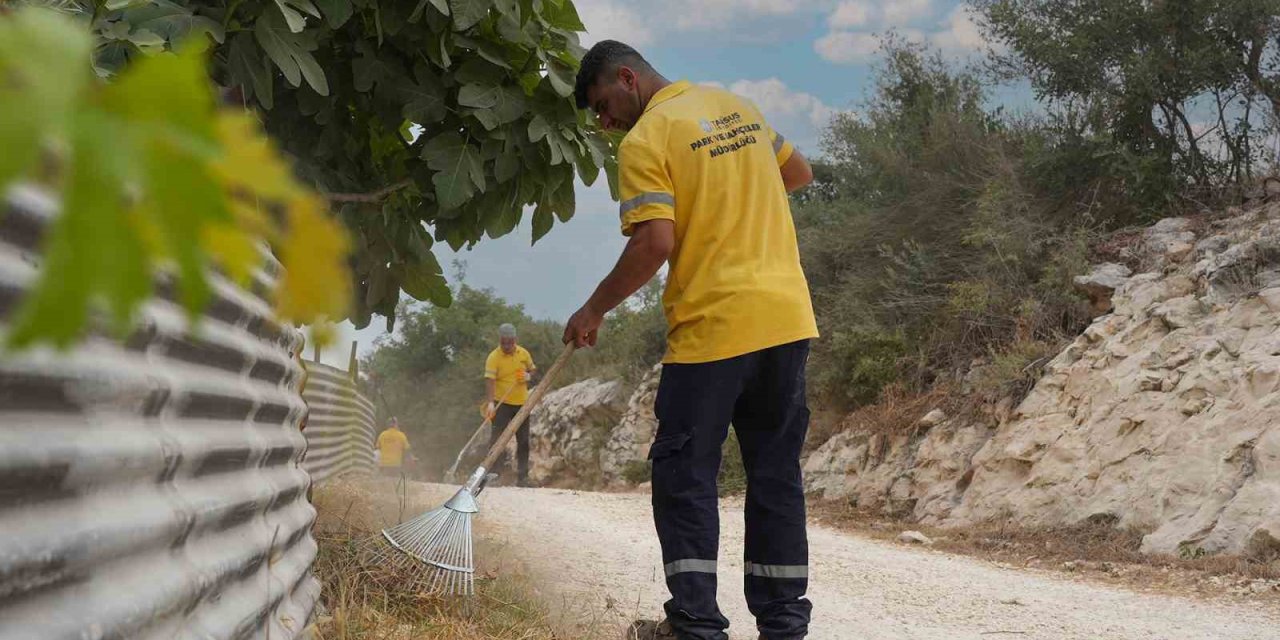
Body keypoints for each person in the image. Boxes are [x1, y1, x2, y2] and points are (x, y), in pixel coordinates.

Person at [564, 41, 817, 640]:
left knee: (685, 476)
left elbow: (654, 242)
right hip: (786, 319)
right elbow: (799, 174)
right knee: (775, 473)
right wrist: (736, 195)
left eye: (603, 106)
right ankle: (784, 625)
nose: (605, 122)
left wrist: (593, 309)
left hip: (713, 328)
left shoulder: (647, 139)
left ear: (628, 78)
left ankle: (697, 626)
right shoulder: (736, 107)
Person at [484, 323, 537, 487]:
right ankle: (494, 475)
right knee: (497, 439)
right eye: (503, 342)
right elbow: (490, 380)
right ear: (500, 340)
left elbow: (533, 369)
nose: (506, 346)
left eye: (509, 342)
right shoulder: (494, 357)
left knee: (523, 440)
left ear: (515, 339)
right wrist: (490, 402)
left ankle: (523, 478)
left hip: (521, 404)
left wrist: (528, 376)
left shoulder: (523, 353)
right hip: (501, 404)